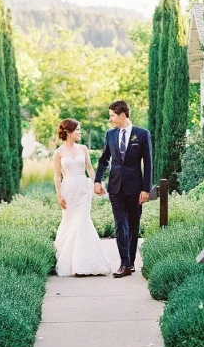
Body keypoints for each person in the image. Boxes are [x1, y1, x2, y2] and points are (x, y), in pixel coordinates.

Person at [94, 100, 153, 278]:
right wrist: (97, 180)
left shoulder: (142, 134)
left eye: (112, 115)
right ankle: (124, 264)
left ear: (122, 115)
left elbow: (148, 162)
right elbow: (104, 159)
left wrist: (146, 189)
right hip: (115, 187)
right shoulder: (110, 135)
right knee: (121, 224)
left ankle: (131, 262)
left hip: (135, 188)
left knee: (133, 226)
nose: (110, 119)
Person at [53, 118, 112, 277]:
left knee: (83, 221)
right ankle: (70, 262)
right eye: (77, 130)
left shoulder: (83, 149)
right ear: (68, 132)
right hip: (68, 190)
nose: (80, 132)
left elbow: (90, 169)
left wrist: (97, 184)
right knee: (70, 222)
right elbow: (57, 176)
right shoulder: (58, 153)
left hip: (84, 190)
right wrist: (59, 195)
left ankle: (85, 263)